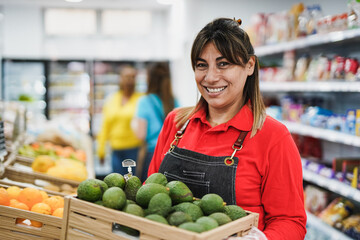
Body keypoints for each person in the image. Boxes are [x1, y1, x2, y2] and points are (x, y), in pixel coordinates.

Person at [147, 18, 306, 240]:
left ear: (250, 65)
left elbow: (290, 222)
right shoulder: (176, 123)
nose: (210, 77)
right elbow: (152, 191)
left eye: (223, 64)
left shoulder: (273, 137)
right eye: (202, 65)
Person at [132, 62, 179, 182]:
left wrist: (133, 124)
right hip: (172, 157)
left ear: (149, 79)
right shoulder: (174, 101)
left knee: (149, 193)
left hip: (152, 156)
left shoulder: (145, 101)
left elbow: (140, 135)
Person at [97, 65, 143, 176]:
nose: (129, 80)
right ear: (120, 79)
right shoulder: (112, 99)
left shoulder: (141, 99)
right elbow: (105, 126)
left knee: (132, 184)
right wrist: (101, 150)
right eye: (126, 77)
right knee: (117, 182)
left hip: (134, 149)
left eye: (132, 77)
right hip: (116, 150)